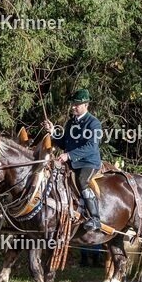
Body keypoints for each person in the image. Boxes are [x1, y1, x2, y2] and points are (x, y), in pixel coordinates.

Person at [44, 88, 103, 233]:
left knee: (82, 180)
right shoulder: (70, 123)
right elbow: (64, 143)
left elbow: (92, 146)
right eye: (73, 104)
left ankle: (95, 219)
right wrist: (52, 132)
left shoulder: (94, 123)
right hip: (71, 162)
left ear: (86, 105)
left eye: (76, 104)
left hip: (89, 162)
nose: (73, 107)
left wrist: (69, 155)